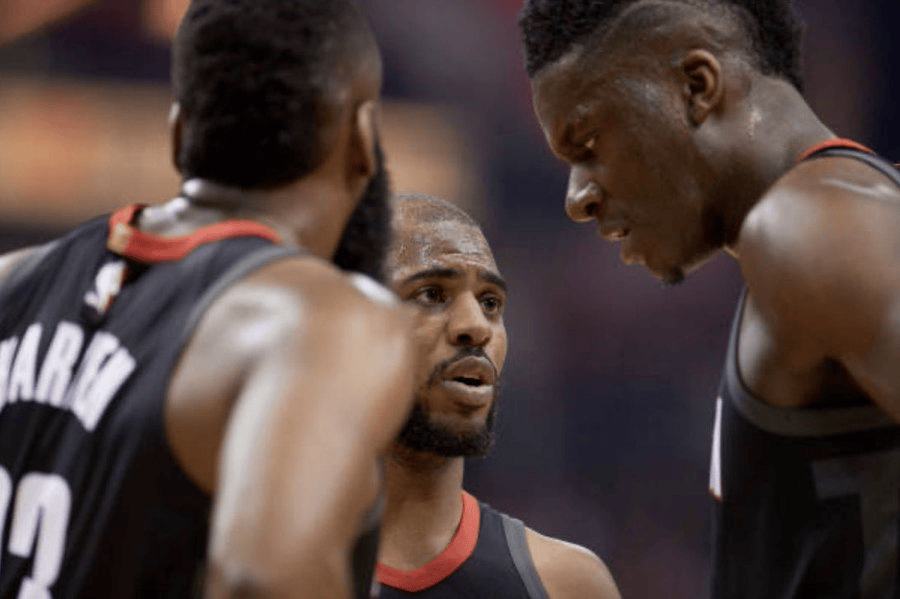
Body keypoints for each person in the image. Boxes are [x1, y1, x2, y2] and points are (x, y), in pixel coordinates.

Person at [0, 1, 415, 598]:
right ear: (363, 140)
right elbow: (263, 581)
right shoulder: (317, 320)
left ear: (178, 132)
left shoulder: (13, 283)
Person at [518, 1, 900, 597]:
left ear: (696, 87)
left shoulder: (809, 225)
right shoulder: (823, 227)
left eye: (589, 142)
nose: (577, 199)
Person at [374, 192, 620, 599]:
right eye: (432, 294)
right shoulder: (269, 570)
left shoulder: (567, 585)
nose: (476, 326)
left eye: (490, 302)